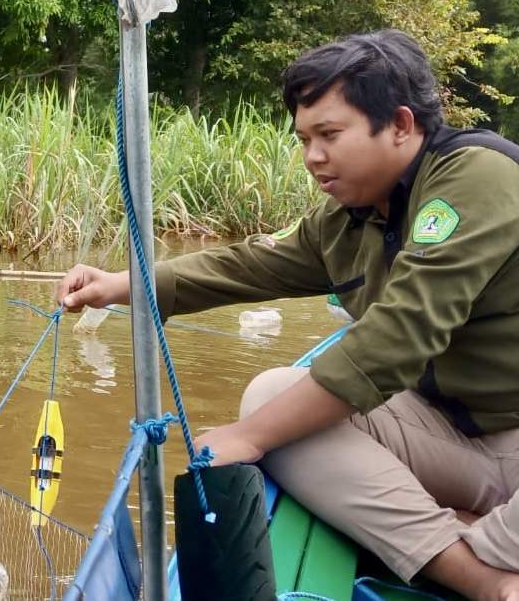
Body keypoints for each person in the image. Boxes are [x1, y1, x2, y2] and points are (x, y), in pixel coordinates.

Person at [56, 30, 519, 601]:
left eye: (329, 135)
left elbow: (396, 338)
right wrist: (120, 286)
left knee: (265, 429)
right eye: (304, 139)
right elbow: (249, 265)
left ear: (401, 125)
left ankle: (463, 544)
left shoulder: (479, 177)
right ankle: (477, 571)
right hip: (456, 436)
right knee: (274, 394)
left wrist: (246, 439)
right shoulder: (351, 216)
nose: (312, 157)